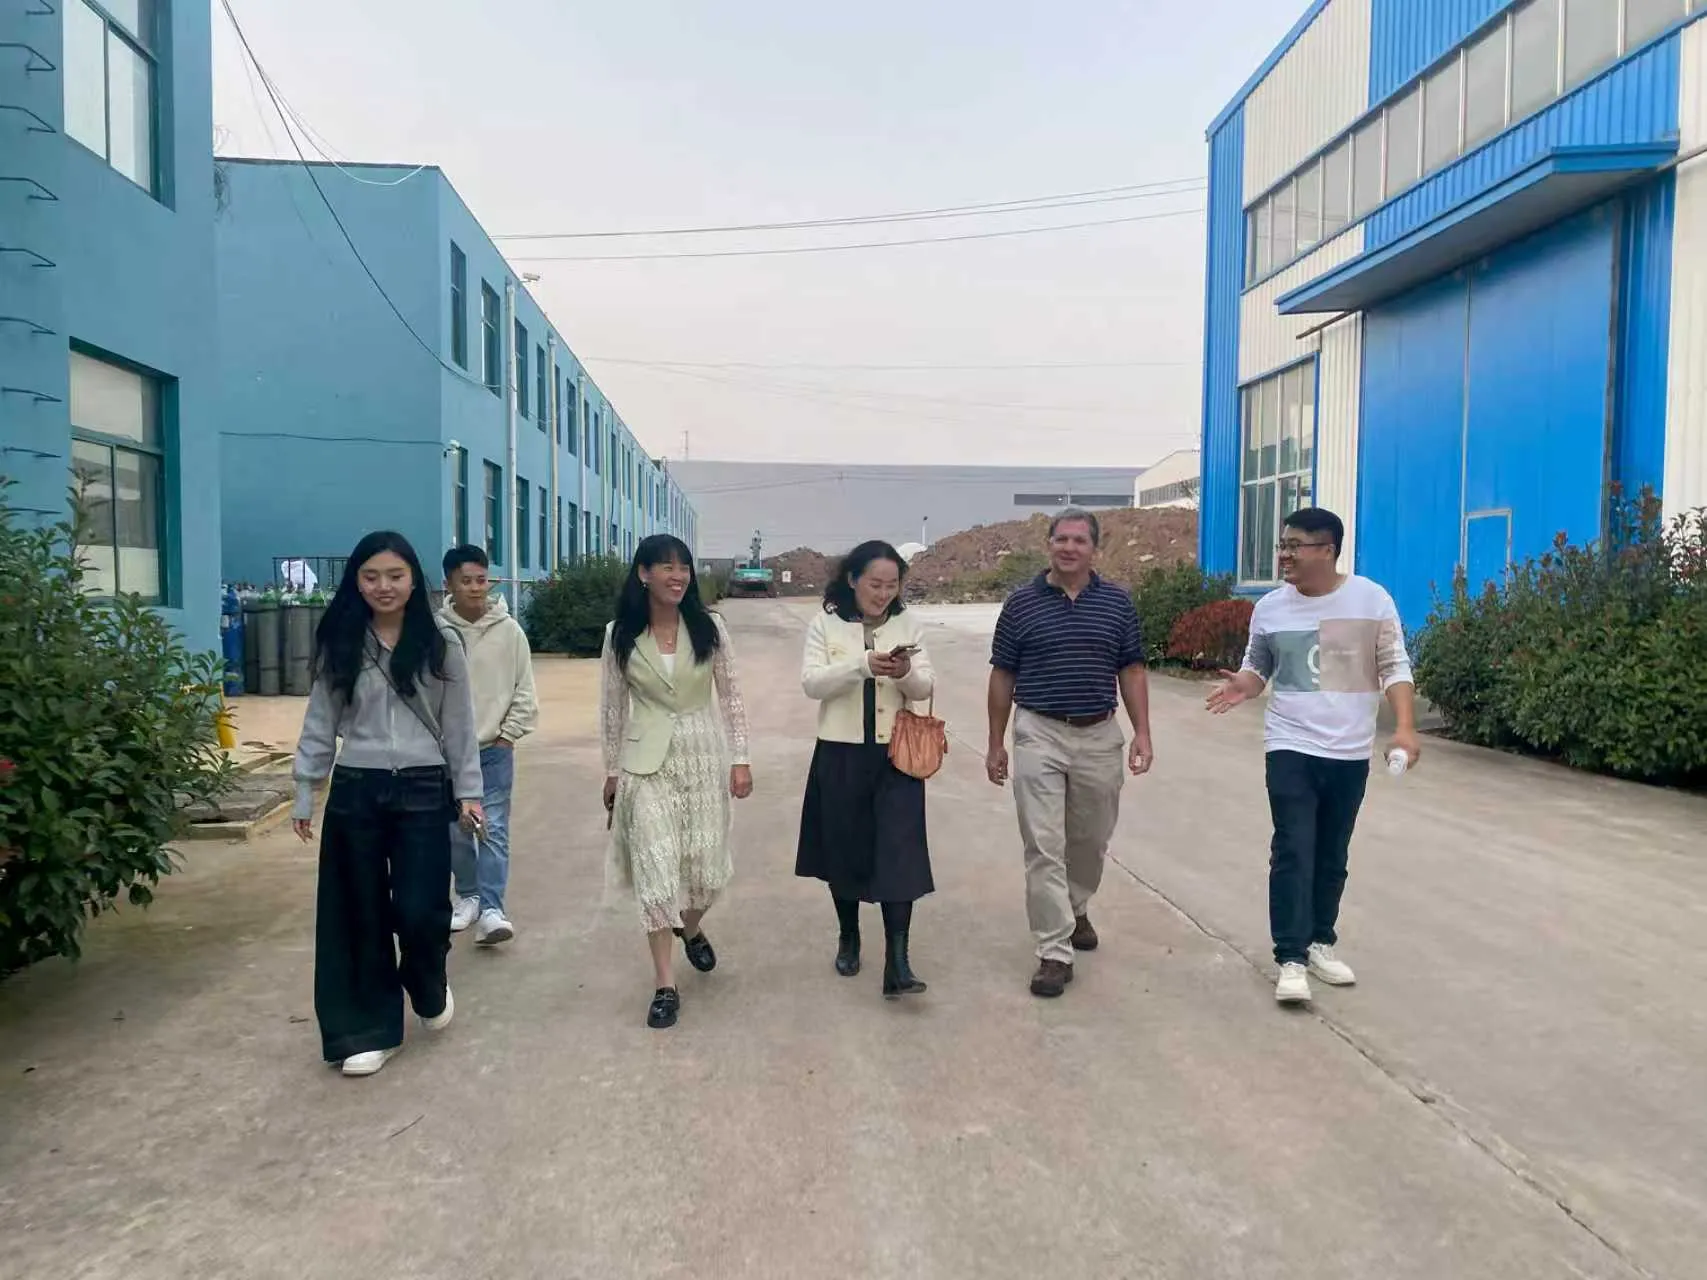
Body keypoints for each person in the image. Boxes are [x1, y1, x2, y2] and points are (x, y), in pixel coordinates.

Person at [1207, 506, 1419, 1006]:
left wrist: (1406, 728)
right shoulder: (1271, 608)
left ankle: (1320, 941)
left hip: (1349, 749)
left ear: (1327, 550)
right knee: (1294, 847)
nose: (1284, 555)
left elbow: (1393, 665)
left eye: (1294, 546)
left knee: (1332, 853)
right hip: (1290, 744)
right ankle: (1291, 958)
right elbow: (1258, 666)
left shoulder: (1370, 600)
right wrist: (1245, 685)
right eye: (1282, 545)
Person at [291, 531, 485, 1077]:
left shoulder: (440, 643)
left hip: (423, 788)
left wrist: (470, 792)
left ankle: (427, 981)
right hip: (358, 786)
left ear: (413, 580)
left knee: (422, 911)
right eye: (371, 576)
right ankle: (367, 1030)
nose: (384, 586)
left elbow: (459, 725)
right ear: (356, 581)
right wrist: (306, 786)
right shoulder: (342, 641)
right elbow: (321, 719)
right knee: (358, 911)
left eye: (395, 576)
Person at [985, 508, 1153, 999]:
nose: (1069, 548)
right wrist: (995, 742)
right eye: (1061, 539)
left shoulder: (1117, 603)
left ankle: (1076, 907)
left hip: (1098, 734)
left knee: (1089, 839)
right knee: (1043, 844)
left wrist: (1142, 733)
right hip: (1039, 731)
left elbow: (1132, 670)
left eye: (1080, 540)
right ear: (1049, 544)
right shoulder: (1021, 604)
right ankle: (1054, 950)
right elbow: (1002, 674)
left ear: (1094, 548)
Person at [600, 535, 753, 1029]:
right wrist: (611, 769)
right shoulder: (620, 634)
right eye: (666, 567)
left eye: (683, 567)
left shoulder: (710, 628)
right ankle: (665, 985)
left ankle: (691, 928)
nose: (678, 575)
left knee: (706, 874)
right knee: (656, 872)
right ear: (643, 574)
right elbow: (612, 707)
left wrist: (741, 759)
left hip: (702, 758)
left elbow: (731, 697)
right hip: (645, 767)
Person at [796, 540, 935, 999]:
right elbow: (812, 684)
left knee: (901, 850)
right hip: (841, 754)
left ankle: (899, 961)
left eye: (892, 585)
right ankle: (849, 935)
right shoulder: (825, 624)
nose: (883, 593)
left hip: (897, 755)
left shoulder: (907, 623)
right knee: (845, 850)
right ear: (852, 579)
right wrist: (861, 666)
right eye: (875, 584)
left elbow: (925, 685)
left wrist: (903, 672)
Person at [440, 545, 538, 947]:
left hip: (494, 750)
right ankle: (468, 896)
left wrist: (507, 734)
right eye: (466, 581)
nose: (475, 588)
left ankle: (493, 910)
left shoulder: (509, 632)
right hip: (447, 753)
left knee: (493, 829)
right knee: (456, 831)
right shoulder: (437, 633)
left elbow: (524, 690)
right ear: (449, 584)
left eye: (481, 580)